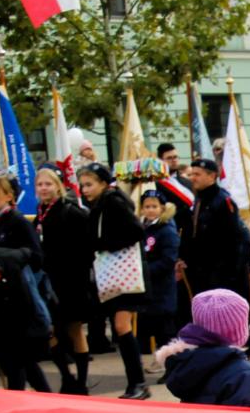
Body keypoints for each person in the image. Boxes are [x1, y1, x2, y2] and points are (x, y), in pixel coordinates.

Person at [78, 162, 150, 399]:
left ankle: (138, 382)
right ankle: (136, 382)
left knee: (122, 326)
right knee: (120, 328)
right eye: (83, 185)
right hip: (115, 275)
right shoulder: (100, 204)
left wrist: (105, 245)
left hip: (125, 274)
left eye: (89, 184)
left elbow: (135, 232)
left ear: (102, 183)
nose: (85, 189)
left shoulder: (113, 202)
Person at [0, 174, 52, 393]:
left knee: (16, 359)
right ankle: (45, 399)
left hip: (18, 298)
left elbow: (36, 257)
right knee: (20, 359)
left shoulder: (16, 221)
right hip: (0, 298)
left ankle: (20, 401)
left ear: (9, 196)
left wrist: (7, 258)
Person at [35, 167, 94, 393]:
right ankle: (66, 376)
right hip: (50, 282)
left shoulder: (70, 211)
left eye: (48, 184)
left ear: (57, 186)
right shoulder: (41, 212)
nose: (44, 188)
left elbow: (85, 247)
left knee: (75, 330)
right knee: (52, 332)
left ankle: (81, 380)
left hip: (72, 281)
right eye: (40, 185)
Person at [179, 159, 248, 298]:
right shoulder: (199, 200)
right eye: (192, 174)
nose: (193, 178)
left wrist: (229, 272)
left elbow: (233, 239)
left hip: (219, 271)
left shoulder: (223, 201)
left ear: (212, 176)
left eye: (197, 174)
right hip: (200, 269)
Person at [138, 190, 180, 358]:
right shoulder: (143, 228)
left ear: (162, 208)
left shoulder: (166, 230)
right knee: (149, 329)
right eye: (146, 206)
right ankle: (158, 360)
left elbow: (168, 260)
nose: (150, 210)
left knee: (165, 333)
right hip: (148, 290)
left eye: (154, 206)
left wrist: (144, 270)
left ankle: (172, 364)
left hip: (162, 289)